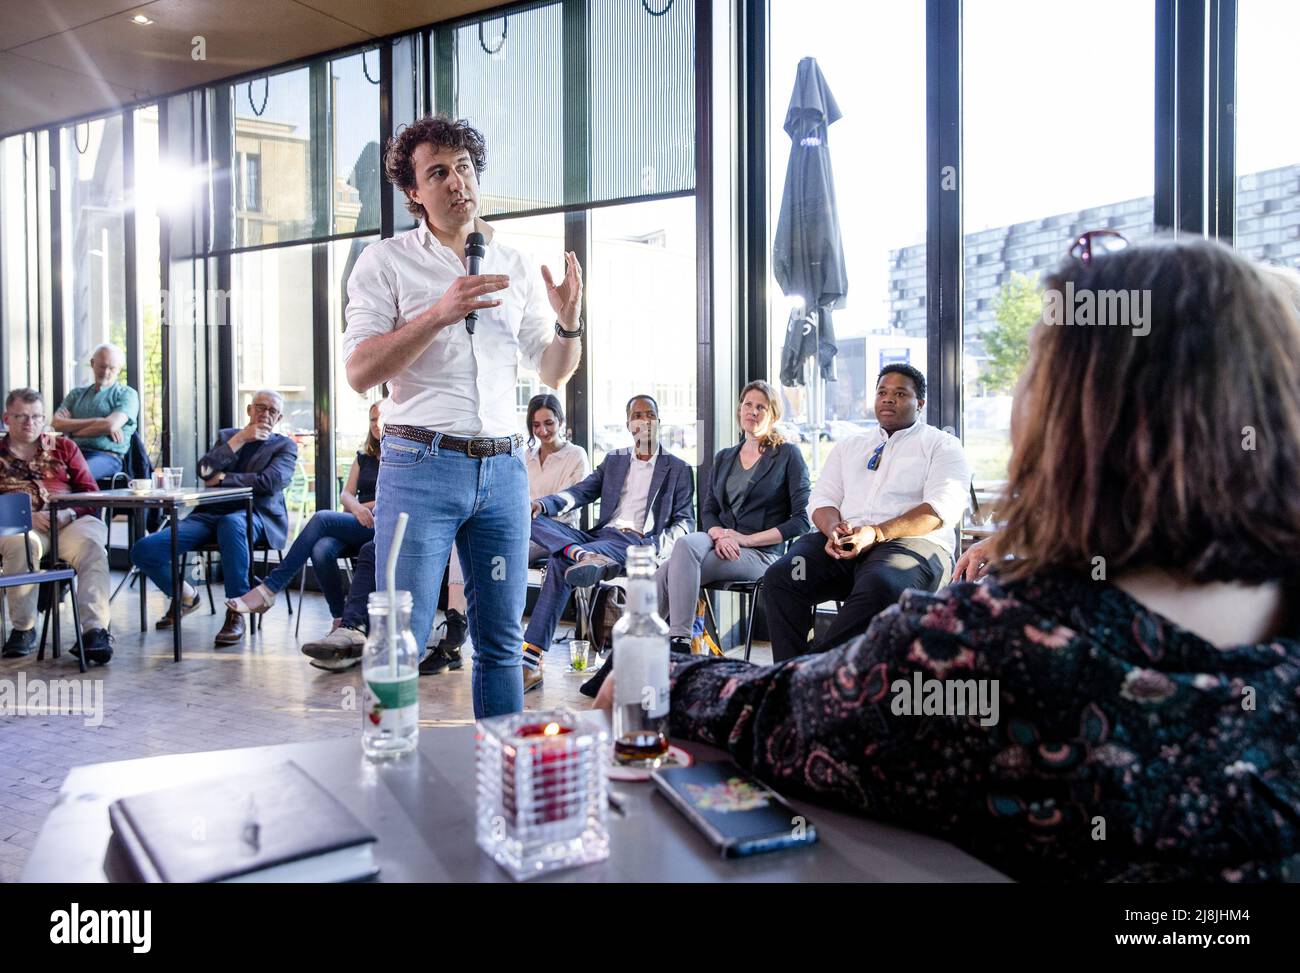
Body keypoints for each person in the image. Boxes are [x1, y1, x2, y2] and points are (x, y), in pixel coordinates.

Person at [598, 235, 1300, 882]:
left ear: (1072, 421)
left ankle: (815, 662)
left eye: (1032, 369)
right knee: (794, 575)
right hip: (845, 546)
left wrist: (659, 666)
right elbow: (822, 507)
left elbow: (770, 717)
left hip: (908, 551)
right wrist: (840, 530)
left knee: (883, 583)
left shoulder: (979, 647)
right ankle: (803, 656)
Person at [343, 114, 583, 719]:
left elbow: (554, 369)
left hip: (503, 472)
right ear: (413, 193)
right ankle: (392, 775)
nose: (458, 182)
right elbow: (359, 371)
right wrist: (438, 314)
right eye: (439, 173)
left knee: (501, 643)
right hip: (419, 467)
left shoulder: (515, 263)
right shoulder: (385, 262)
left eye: (465, 168)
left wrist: (569, 321)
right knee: (402, 638)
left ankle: (500, 775)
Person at [761, 364, 970, 662]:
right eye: (882, 392)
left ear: (919, 404)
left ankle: (810, 674)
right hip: (844, 542)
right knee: (783, 576)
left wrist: (877, 533)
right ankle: (794, 678)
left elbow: (940, 509)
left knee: (881, 586)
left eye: (900, 393)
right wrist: (833, 527)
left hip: (910, 545)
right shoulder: (851, 445)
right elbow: (822, 498)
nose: (888, 399)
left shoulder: (942, 445)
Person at [525, 394, 694, 691]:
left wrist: (655, 547)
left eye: (649, 414)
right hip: (599, 539)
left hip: (636, 543)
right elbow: (580, 493)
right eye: (636, 415)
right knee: (530, 518)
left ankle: (531, 657)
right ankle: (578, 553)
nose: (643, 420)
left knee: (557, 560)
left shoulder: (678, 468)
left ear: (658, 421)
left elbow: (685, 522)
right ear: (629, 424)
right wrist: (542, 504)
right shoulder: (615, 460)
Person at [130, 389, 297, 648]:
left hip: (256, 517)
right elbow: (204, 470)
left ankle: (237, 611)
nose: (265, 414)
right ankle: (185, 596)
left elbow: (270, 482)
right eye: (260, 408)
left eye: (272, 411)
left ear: (279, 417)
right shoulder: (228, 437)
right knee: (144, 549)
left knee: (232, 525)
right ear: (249, 410)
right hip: (209, 515)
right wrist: (241, 438)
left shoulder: (284, 446)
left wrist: (223, 479)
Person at [655, 380, 809, 649]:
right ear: (739, 410)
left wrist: (743, 540)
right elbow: (709, 510)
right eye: (748, 404)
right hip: (721, 541)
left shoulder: (787, 455)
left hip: (761, 554)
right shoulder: (725, 457)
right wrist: (720, 535)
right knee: (684, 545)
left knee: (669, 571)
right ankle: (651, 641)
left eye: (761, 407)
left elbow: (801, 521)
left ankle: (669, 641)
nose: (752, 411)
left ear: (773, 414)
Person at [224, 401, 380, 625]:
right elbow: (346, 494)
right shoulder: (363, 455)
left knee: (322, 518)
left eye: (380, 418)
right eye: (372, 419)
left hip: (380, 524)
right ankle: (340, 618)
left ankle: (270, 588)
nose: (376, 424)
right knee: (320, 549)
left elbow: (395, 499)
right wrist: (356, 508)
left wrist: (363, 507)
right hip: (357, 520)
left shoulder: (398, 456)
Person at [0, 389, 115, 664]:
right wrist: (23, 517)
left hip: (68, 521)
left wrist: (69, 513)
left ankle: (95, 632)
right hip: (19, 525)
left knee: (91, 546)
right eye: (22, 417)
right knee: (21, 543)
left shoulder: (62, 447)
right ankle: (24, 628)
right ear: (7, 418)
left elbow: (91, 494)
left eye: (37, 417)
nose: (31, 423)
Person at [51, 344, 140, 481]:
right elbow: (56, 424)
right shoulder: (76, 394)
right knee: (43, 471)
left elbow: (110, 425)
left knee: (76, 474)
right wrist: (98, 421)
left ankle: (78, 503)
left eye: (112, 368)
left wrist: (73, 431)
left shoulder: (127, 394)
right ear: (93, 363)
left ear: (119, 370)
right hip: (72, 452)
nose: (106, 372)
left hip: (107, 456)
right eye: (102, 366)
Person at [524, 392, 590, 566]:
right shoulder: (527, 457)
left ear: (561, 422)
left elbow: (569, 503)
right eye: (536, 425)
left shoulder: (576, 455)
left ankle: (577, 552)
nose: (542, 431)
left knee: (509, 550)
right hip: (529, 529)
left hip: (560, 531)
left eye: (549, 423)